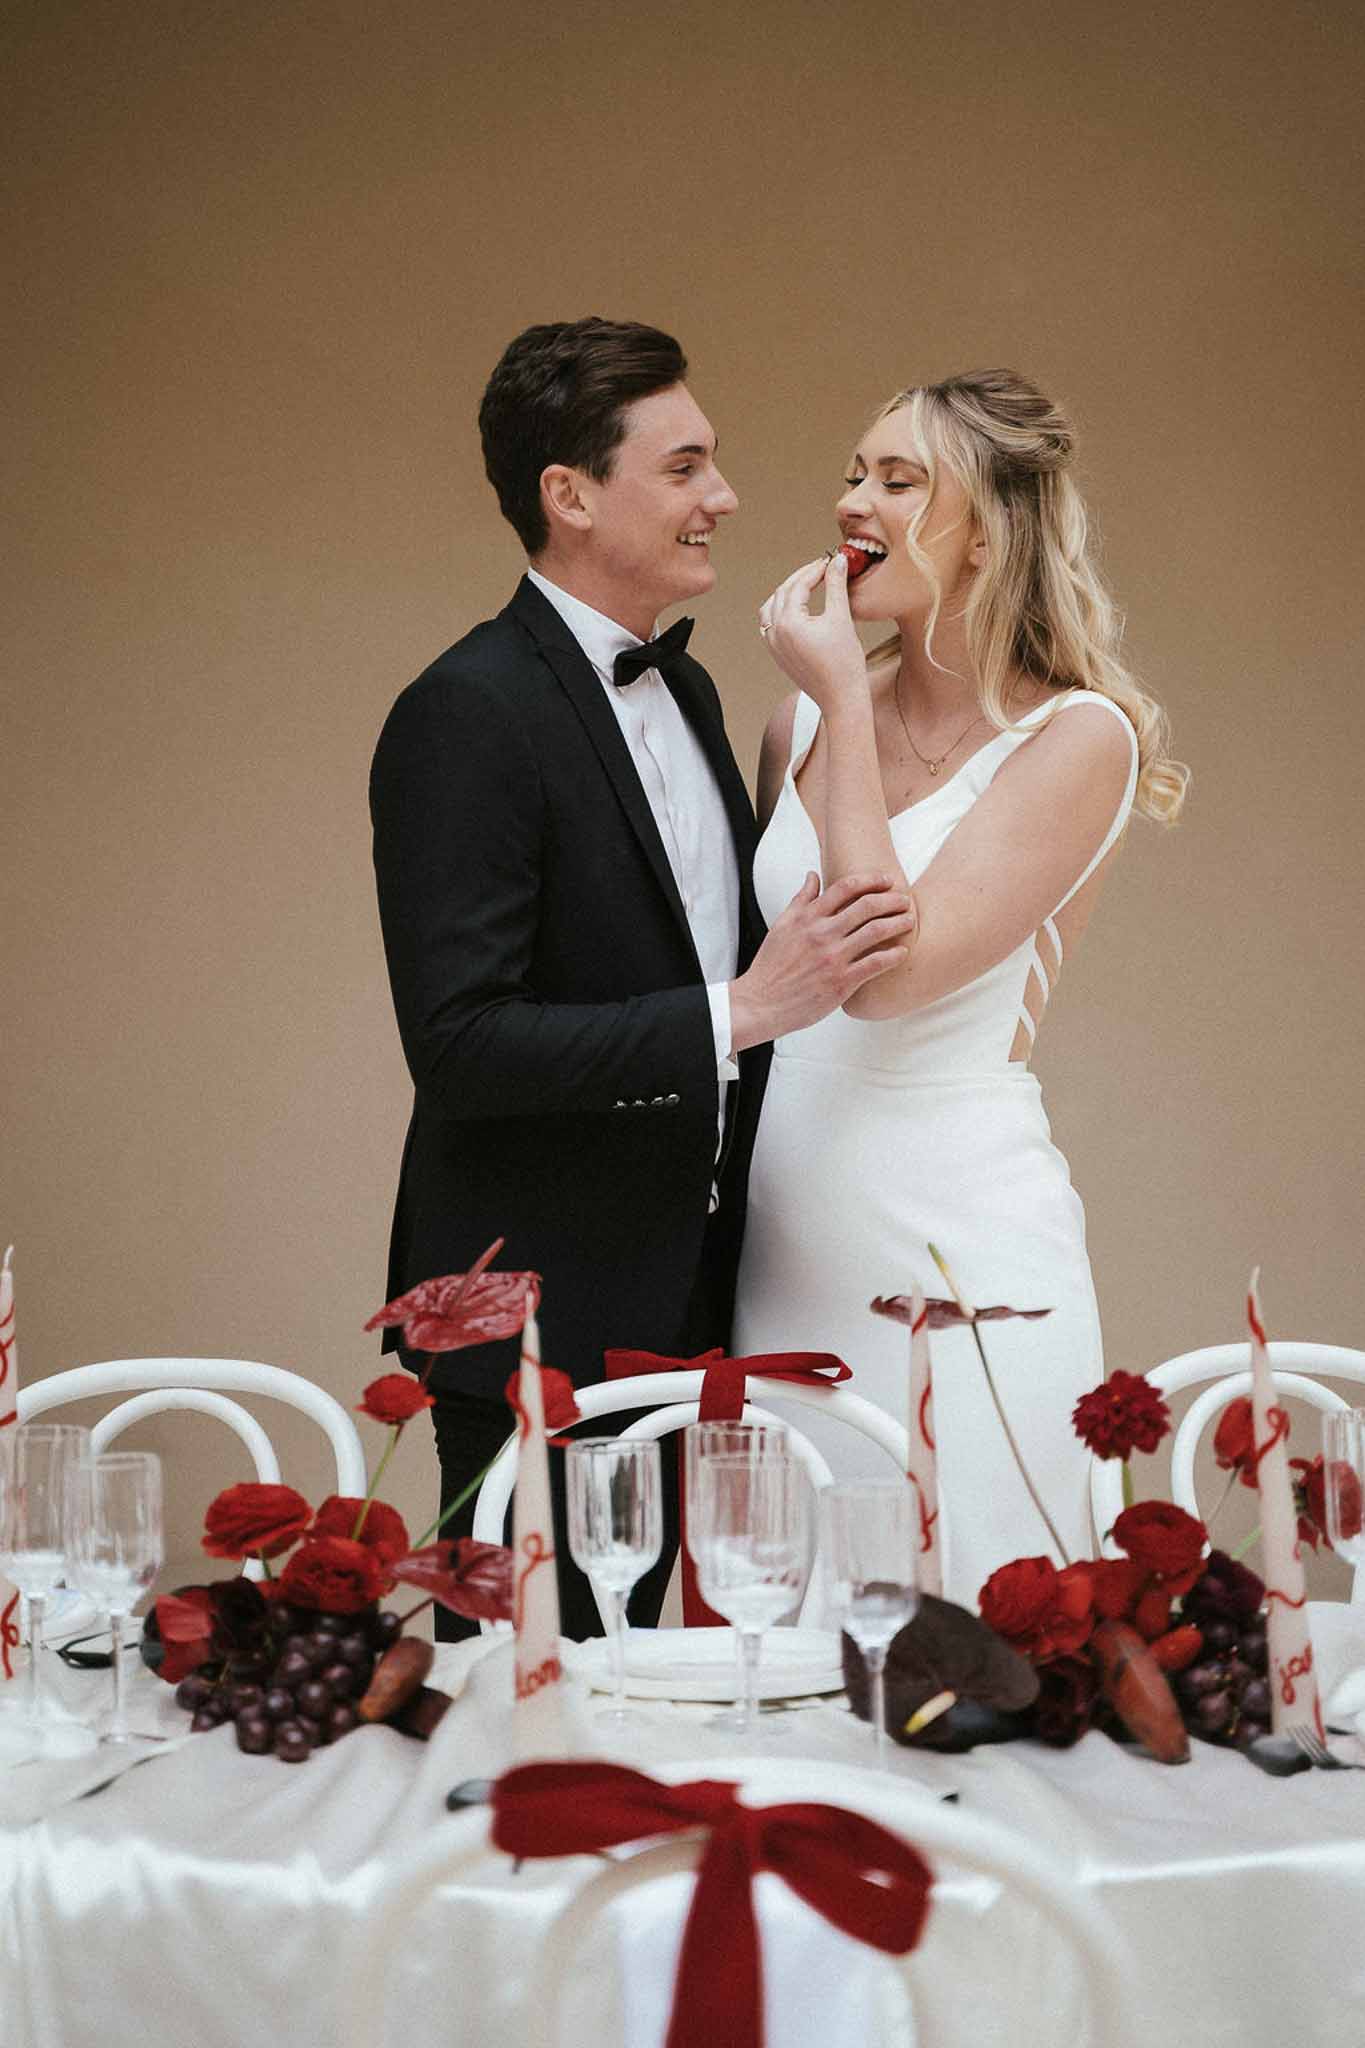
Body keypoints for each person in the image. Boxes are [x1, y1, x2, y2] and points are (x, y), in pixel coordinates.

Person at [369, 318, 915, 1640]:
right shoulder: (467, 709)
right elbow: (461, 1043)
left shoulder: (694, 694)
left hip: (697, 1299)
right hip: (537, 1314)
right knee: (531, 1711)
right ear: (569, 495)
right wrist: (747, 1008)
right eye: (683, 468)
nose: (722, 496)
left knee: (661, 1705)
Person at [732, 368, 1188, 1604]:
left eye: (898, 481)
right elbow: (757, 980)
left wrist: (840, 692)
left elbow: (882, 977)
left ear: (986, 532)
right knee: (791, 1636)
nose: (852, 502)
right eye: (853, 473)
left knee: (986, 1635)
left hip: (963, 1250)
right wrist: (832, 706)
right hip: (782, 1252)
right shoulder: (791, 729)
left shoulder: (1078, 737)